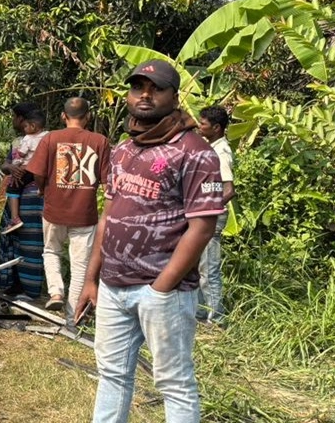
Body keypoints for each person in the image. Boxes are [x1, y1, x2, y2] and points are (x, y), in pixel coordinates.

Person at [77, 59, 224, 423]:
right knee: (112, 375)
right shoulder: (124, 150)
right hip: (113, 286)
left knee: (174, 382)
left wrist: (161, 287)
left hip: (163, 292)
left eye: (156, 88)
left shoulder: (195, 152)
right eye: (137, 86)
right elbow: (108, 216)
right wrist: (91, 279)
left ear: (174, 96)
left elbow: (202, 227)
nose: (145, 94)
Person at [22, 97, 109, 320]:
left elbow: (37, 173)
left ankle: (56, 292)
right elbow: (108, 182)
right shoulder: (100, 141)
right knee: (81, 265)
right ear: (88, 116)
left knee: (51, 251)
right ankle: (73, 316)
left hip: (54, 209)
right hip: (85, 213)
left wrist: (42, 190)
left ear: (63, 116)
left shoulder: (51, 139)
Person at [0, 102, 49, 301]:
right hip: (19, 198)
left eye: (14, 117)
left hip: (33, 199)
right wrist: (11, 167)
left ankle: (30, 289)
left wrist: (25, 170)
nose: (12, 121)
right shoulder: (20, 141)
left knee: (30, 244)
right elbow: (6, 163)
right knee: (15, 240)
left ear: (22, 120)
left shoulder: (44, 141)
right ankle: (12, 283)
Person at [195, 105, 234, 325]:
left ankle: (216, 318)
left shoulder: (221, 152)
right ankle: (202, 313)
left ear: (216, 127)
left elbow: (229, 189)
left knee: (209, 269)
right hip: (205, 215)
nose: (200, 127)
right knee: (201, 267)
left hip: (212, 217)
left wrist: (209, 208)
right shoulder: (212, 147)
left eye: (203, 124)